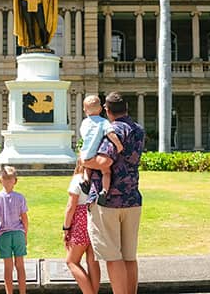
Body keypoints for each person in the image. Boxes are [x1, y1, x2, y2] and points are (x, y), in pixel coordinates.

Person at [81, 92, 145, 294]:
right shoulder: (138, 129)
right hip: (132, 198)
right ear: (126, 108)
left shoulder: (112, 129)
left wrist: (84, 162)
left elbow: (104, 161)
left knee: (113, 257)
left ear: (107, 110)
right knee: (129, 257)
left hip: (108, 201)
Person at [62, 159, 101, 294]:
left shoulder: (77, 179)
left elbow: (70, 206)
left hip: (80, 222)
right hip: (96, 219)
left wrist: (66, 228)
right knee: (92, 261)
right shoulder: (99, 177)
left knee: (71, 261)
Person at [0, 166, 29, 294]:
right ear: (15, 181)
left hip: (4, 234)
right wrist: (25, 233)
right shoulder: (20, 197)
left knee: (8, 267)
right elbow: (24, 218)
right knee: (20, 265)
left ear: (0, 180)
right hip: (18, 233)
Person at [78, 95, 124, 205]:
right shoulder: (103, 122)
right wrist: (119, 145)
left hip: (85, 153)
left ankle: (85, 180)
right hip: (96, 153)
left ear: (85, 110)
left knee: (87, 167)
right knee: (106, 172)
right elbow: (111, 134)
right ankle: (104, 191)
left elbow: (84, 135)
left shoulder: (84, 123)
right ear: (100, 109)